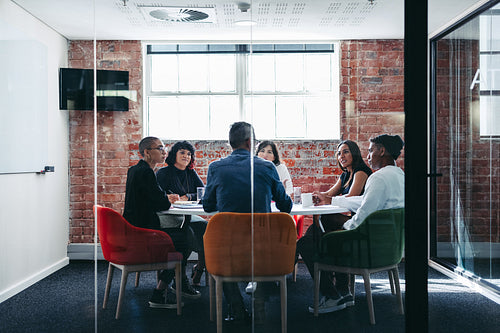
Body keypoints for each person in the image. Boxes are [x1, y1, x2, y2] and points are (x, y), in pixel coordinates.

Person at [297, 134, 404, 314]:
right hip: (389, 248)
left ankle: (333, 296)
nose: (368, 156)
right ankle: (343, 291)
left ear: (382, 151)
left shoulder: (377, 178)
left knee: (306, 243)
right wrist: (332, 201)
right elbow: (364, 201)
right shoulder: (400, 175)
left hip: (367, 247)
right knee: (322, 230)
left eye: (370, 151)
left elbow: (361, 217)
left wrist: (341, 230)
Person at [203, 121, 293, 323]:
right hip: (263, 248)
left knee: (221, 257)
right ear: (250, 142)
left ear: (230, 143)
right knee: (260, 250)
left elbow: (208, 206)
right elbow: (286, 206)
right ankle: (259, 306)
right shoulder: (268, 167)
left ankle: (237, 309)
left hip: (228, 249)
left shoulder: (216, 168)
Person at [123, 136, 200, 310]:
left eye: (164, 148)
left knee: (185, 236)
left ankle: (173, 283)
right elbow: (160, 203)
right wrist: (167, 199)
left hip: (135, 227)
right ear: (147, 153)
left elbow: (152, 198)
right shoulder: (147, 172)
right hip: (143, 231)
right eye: (159, 148)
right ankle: (160, 292)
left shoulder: (136, 170)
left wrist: (165, 198)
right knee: (185, 240)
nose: (164, 151)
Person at [156, 141, 207, 286]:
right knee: (188, 234)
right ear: (174, 155)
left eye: (189, 154)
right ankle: (181, 279)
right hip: (167, 216)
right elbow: (158, 198)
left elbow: (202, 193)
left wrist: (188, 197)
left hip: (186, 215)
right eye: (182, 152)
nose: (186, 156)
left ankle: (199, 269)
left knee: (205, 229)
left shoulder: (190, 173)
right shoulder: (164, 173)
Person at [312, 140, 372, 230]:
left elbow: (352, 196)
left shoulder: (361, 171)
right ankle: (317, 243)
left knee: (326, 219)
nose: (342, 156)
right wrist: (316, 195)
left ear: (354, 153)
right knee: (320, 222)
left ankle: (318, 243)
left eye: (346, 152)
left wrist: (327, 199)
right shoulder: (345, 174)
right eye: (339, 154)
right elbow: (329, 193)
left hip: (361, 219)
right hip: (353, 218)